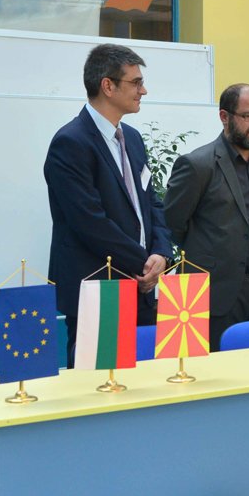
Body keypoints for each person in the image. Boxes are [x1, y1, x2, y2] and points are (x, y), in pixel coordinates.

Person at [44, 44, 173, 367]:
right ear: (108, 86)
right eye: (136, 82)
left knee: (146, 382)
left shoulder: (132, 138)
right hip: (99, 289)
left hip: (141, 287)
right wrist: (144, 263)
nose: (143, 90)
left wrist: (161, 253)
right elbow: (90, 222)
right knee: (99, 385)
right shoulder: (71, 142)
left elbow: (152, 203)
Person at [164, 84, 249, 351]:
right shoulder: (197, 165)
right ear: (224, 117)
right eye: (248, 116)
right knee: (213, 369)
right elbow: (172, 224)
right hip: (213, 292)